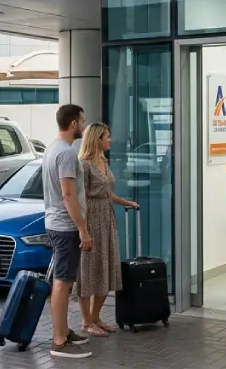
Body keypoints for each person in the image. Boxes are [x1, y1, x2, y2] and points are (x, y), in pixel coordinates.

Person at [74, 123, 138, 337]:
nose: (111, 140)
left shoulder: (103, 161)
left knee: (106, 267)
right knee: (88, 270)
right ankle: (86, 321)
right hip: (91, 218)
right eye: (107, 136)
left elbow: (107, 193)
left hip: (107, 217)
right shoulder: (83, 165)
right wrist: (83, 229)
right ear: (97, 139)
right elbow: (79, 198)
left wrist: (125, 202)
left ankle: (95, 317)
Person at [41, 103, 92, 359]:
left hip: (54, 222)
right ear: (73, 124)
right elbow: (68, 195)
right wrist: (83, 229)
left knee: (63, 281)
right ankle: (59, 340)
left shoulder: (51, 149)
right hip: (65, 225)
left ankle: (64, 330)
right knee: (62, 282)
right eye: (82, 121)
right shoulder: (67, 154)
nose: (83, 126)